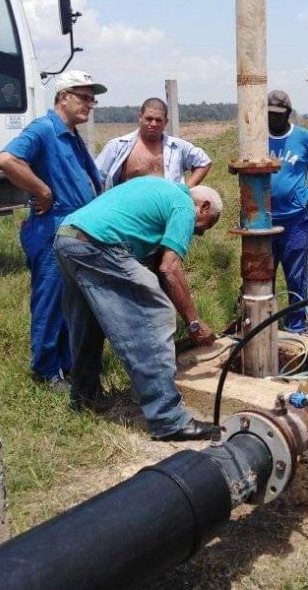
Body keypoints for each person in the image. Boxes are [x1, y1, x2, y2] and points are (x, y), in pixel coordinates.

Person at [53, 178, 223, 442]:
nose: (197, 234)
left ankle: (85, 398)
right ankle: (168, 420)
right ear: (203, 206)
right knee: (155, 315)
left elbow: (153, 265)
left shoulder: (158, 189)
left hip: (68, 237)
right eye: (204, 227)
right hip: (98, 243)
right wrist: (193, 323)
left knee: (87, 322)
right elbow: (169, 269)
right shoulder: (184, 206)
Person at [0, 71, 106, 392]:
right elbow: (7, 159)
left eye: (92, 99)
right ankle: (45, 371)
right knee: (49, 298)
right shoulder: (44, 129)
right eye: (83, 97)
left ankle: (68, 363)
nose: (89, 104)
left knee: (71, 300)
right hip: (52, 227)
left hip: (75, 227)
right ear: (63, 97)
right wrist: (42, 191)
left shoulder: (71, 135)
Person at [267, 90, 308, 333]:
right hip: (262, 220)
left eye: (279, 114)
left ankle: (296, 326)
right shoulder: (255, 138)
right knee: (261, 274)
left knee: (296, 274)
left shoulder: (305, 138)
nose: (273, 118)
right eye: (269, 114)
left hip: (295, 219)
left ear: (289, 114)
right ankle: (263, 324)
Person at [95, 98, 212, 190]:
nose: (153, 123)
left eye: (158, 120)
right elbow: (96, 178)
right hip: (127, 215)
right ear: (140, 117)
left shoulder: (178, 147)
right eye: (149, 118)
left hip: (166, 213)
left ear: (166, 122)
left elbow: (203, 162)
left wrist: (186, 190)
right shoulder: (117, 146)